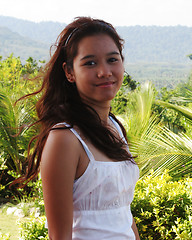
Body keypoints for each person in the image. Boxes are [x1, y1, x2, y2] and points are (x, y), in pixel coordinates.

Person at [16, 17, 140, 239]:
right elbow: (59, 236)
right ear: (69, 72)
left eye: (112, 59)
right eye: (90, 63)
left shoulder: (115, 128)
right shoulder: (65, 139)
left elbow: (124, 213)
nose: (104, 72)